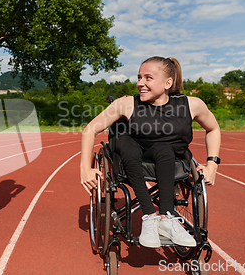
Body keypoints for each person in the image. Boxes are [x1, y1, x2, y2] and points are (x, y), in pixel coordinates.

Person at [80, 56, 220, 248]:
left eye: (148, 78)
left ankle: (166, 217)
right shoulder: (127, 103)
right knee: (127, 146)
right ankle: (149, 217)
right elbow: (90, 129)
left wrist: (212, 164)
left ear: (167, 83)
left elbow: (213, 129)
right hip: (132, 153)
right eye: (139, 77)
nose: (140, 83)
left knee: (165, 149)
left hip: (166, 156)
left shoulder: (191, 104)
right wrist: (85, 169)